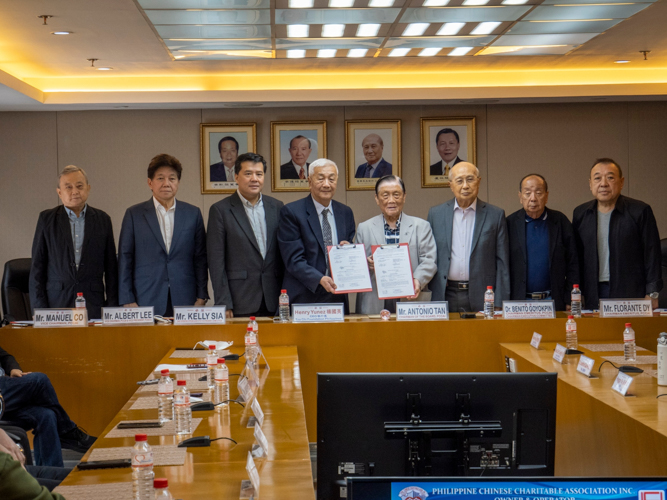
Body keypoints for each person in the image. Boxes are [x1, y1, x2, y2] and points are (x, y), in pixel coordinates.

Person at [118, 154, 209, 316]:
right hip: (144, 298)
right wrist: (127, 298)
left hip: (185, 298)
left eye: (172, 178)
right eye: (160, 178)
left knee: (184, 342)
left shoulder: (192, 214)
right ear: (150, 183)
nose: (166, 183)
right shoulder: (134, 214)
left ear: (178, 183)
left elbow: (200, 258)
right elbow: (125, 258)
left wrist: (201, 295)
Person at [29, 166, 118, 320]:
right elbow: (37, 268)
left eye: (79, 186)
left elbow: (111, 269)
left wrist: (111, 308)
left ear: (88, 189)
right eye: (68, 187)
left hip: (94, 303)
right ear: (59, 192)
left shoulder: (103, 219)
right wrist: (40, 311)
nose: (75, 191)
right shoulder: (46, 220)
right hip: (56, 304)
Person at [573, 158, 662, 308]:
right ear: (590, 184)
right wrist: (577, 293)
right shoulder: (581, 214)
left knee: (627, 331)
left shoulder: (639, 211)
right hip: (592, 291)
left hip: (630, 292)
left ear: (621, 182)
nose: (603, 184)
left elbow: (652, 254)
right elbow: (575, 258)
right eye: (597, 178)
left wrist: (652, 292)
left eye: (610, 177)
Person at [208, 153, 284, 318]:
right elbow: (216, 263)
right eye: (248, 174)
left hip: (274, 298)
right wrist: (224, 302)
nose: (254, 179)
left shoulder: (277, 207)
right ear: (236, 176)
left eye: (259, 174)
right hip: (239, 300)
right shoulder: (220, 210)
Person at [427, 162, 510, 312]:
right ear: (450, 185)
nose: (465, 186)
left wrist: (500, 301)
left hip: (484, 296)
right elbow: (428, 255)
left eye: (470, 179)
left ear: (479, 181)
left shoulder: (495, 215)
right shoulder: (435, 214)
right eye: (459, 181)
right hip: (446, 294)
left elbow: (502, 261)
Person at [278, 158, 356, 312]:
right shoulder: (292, 212)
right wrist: (319, 279)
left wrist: (350, 251)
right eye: (320, 178)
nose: (326, 184)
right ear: (309, 181)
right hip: (305, 294)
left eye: (331, 179)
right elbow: (293, 259)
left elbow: (348, 248)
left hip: (336, 295)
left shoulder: (345, 212)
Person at [0, 346, 95, 468]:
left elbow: (5, 356)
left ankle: (50, 473)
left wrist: (14, 369)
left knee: (46, 415)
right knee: (39, 380)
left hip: (5, 397)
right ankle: (68, 431)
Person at [355, 175, 437, 314]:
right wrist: (366, 263)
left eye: (396, 195)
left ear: (404, 197)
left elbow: (429, 260)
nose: (391, 200)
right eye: (385, 195)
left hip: (410, 298)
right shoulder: (364, 228)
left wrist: (417, 281)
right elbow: (358, 266)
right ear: (376, 198)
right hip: (375, 300)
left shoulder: (421, 226)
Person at [506, 174, 579, 310]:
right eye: (527, 193)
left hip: (553, 300)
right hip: (519, 302)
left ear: (546, 196)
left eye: (538, 193)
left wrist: (571, 298)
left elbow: (573, 262)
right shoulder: (509, 224)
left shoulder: (560, 221)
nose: (533, 198)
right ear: (520, 197)